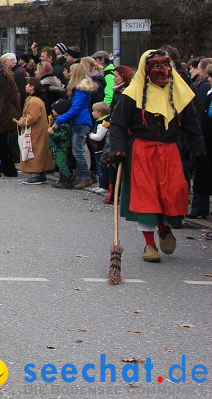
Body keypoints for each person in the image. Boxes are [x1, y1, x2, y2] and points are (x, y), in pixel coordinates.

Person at [108, 50, 207, 263]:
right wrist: (117, 150)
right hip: (141, 152)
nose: (163, 70)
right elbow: (117, 125)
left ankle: (164, 226)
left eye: (165, 65)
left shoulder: (179, 92)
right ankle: (150, 244)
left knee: (173, 193)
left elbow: (191, 124)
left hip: (170, 150)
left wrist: (198, 149)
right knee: (146, 197)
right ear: (146, 69)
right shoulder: (131, 96)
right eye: (156, 66)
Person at [49, 60, 96, 189]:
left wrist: (59, 120)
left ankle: (85, 177)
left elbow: (75, 109)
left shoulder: (81, 90)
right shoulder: (80, 89)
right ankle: (81, 176)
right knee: (77, 150)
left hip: (81, 122)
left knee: (77, 151)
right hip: (79, 121)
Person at [17, 78, 53, 184]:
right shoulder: (35, 99)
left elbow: (32, 117)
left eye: (27, 85)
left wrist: (21, 122)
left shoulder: (34, 101)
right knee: (38, 151)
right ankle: (40, 174)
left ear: (32, 86)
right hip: (38, 130)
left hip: (34, 131)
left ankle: (36, 174)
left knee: (34, 151)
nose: (25, 86)